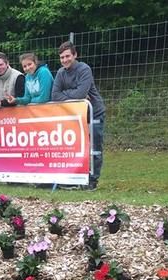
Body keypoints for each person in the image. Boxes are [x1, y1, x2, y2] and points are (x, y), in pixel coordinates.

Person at [51, 41, 105, 190]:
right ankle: (76, 177)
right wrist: (74, 95)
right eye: (62, 57)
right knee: (75, 148)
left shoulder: (84, 69)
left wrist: (67, 94)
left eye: (67, 56)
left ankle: (93, 180)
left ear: (75, 55)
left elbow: (82, 93)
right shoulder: (61, 73)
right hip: (75, 115)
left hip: (94, 112)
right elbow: (55, 95)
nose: (65, 60)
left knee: (95, 147)